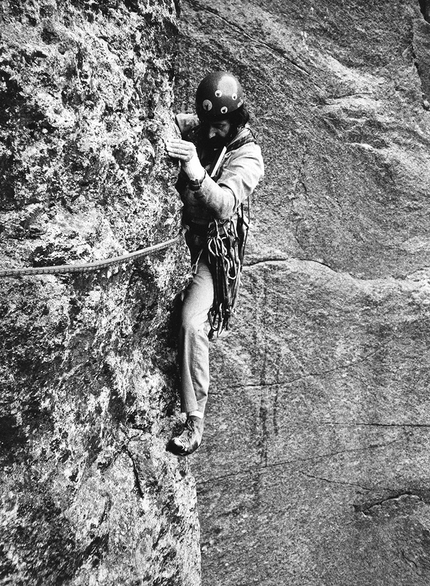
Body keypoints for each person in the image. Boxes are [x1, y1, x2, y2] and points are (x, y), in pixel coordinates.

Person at [165, 71, 264, 456]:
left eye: (220, 126)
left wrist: (193, 168)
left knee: (192, 322)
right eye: (208, 125)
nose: (211, 133)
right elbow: (173, 121)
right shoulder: (206, 127)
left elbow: (223, 204)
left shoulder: (248, 156)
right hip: (180, 238)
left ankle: (195, 420)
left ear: (236, 119)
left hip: (212, 252)